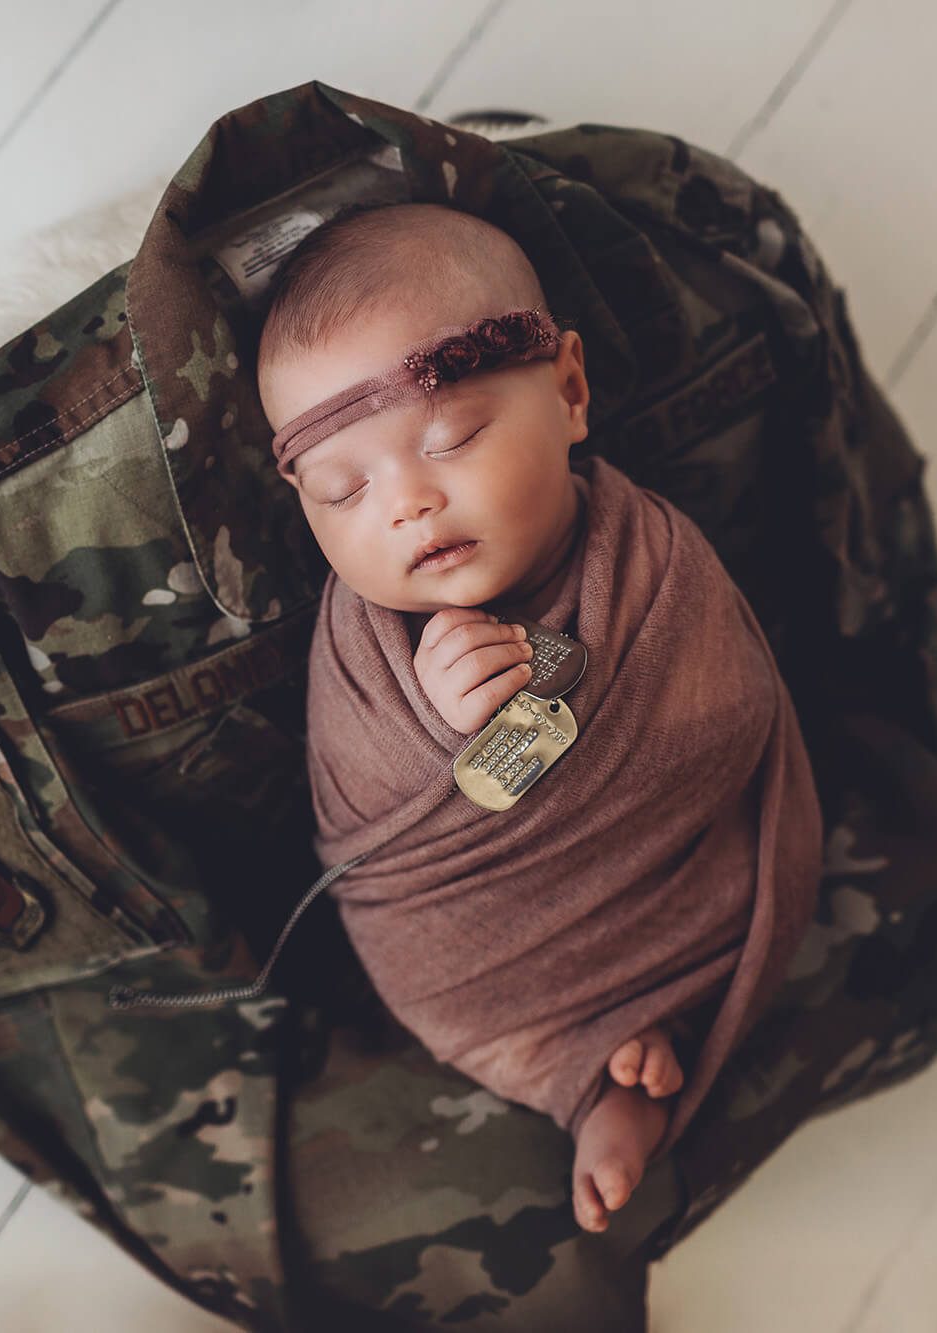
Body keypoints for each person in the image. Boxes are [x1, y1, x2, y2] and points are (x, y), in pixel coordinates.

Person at [255, 202, 827, 1234]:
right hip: (485, 955)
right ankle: (582, 1077)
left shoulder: (648, 559)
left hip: (673, 874)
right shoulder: (359, 644)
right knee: (456, 1003)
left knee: (736, 878)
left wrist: (608, 718)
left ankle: (665, 1022)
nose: (405, 504)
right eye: (342, 491)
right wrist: (434, 733)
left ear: (568, 391)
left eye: (452, 437)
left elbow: (726, 715)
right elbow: (357, 812)